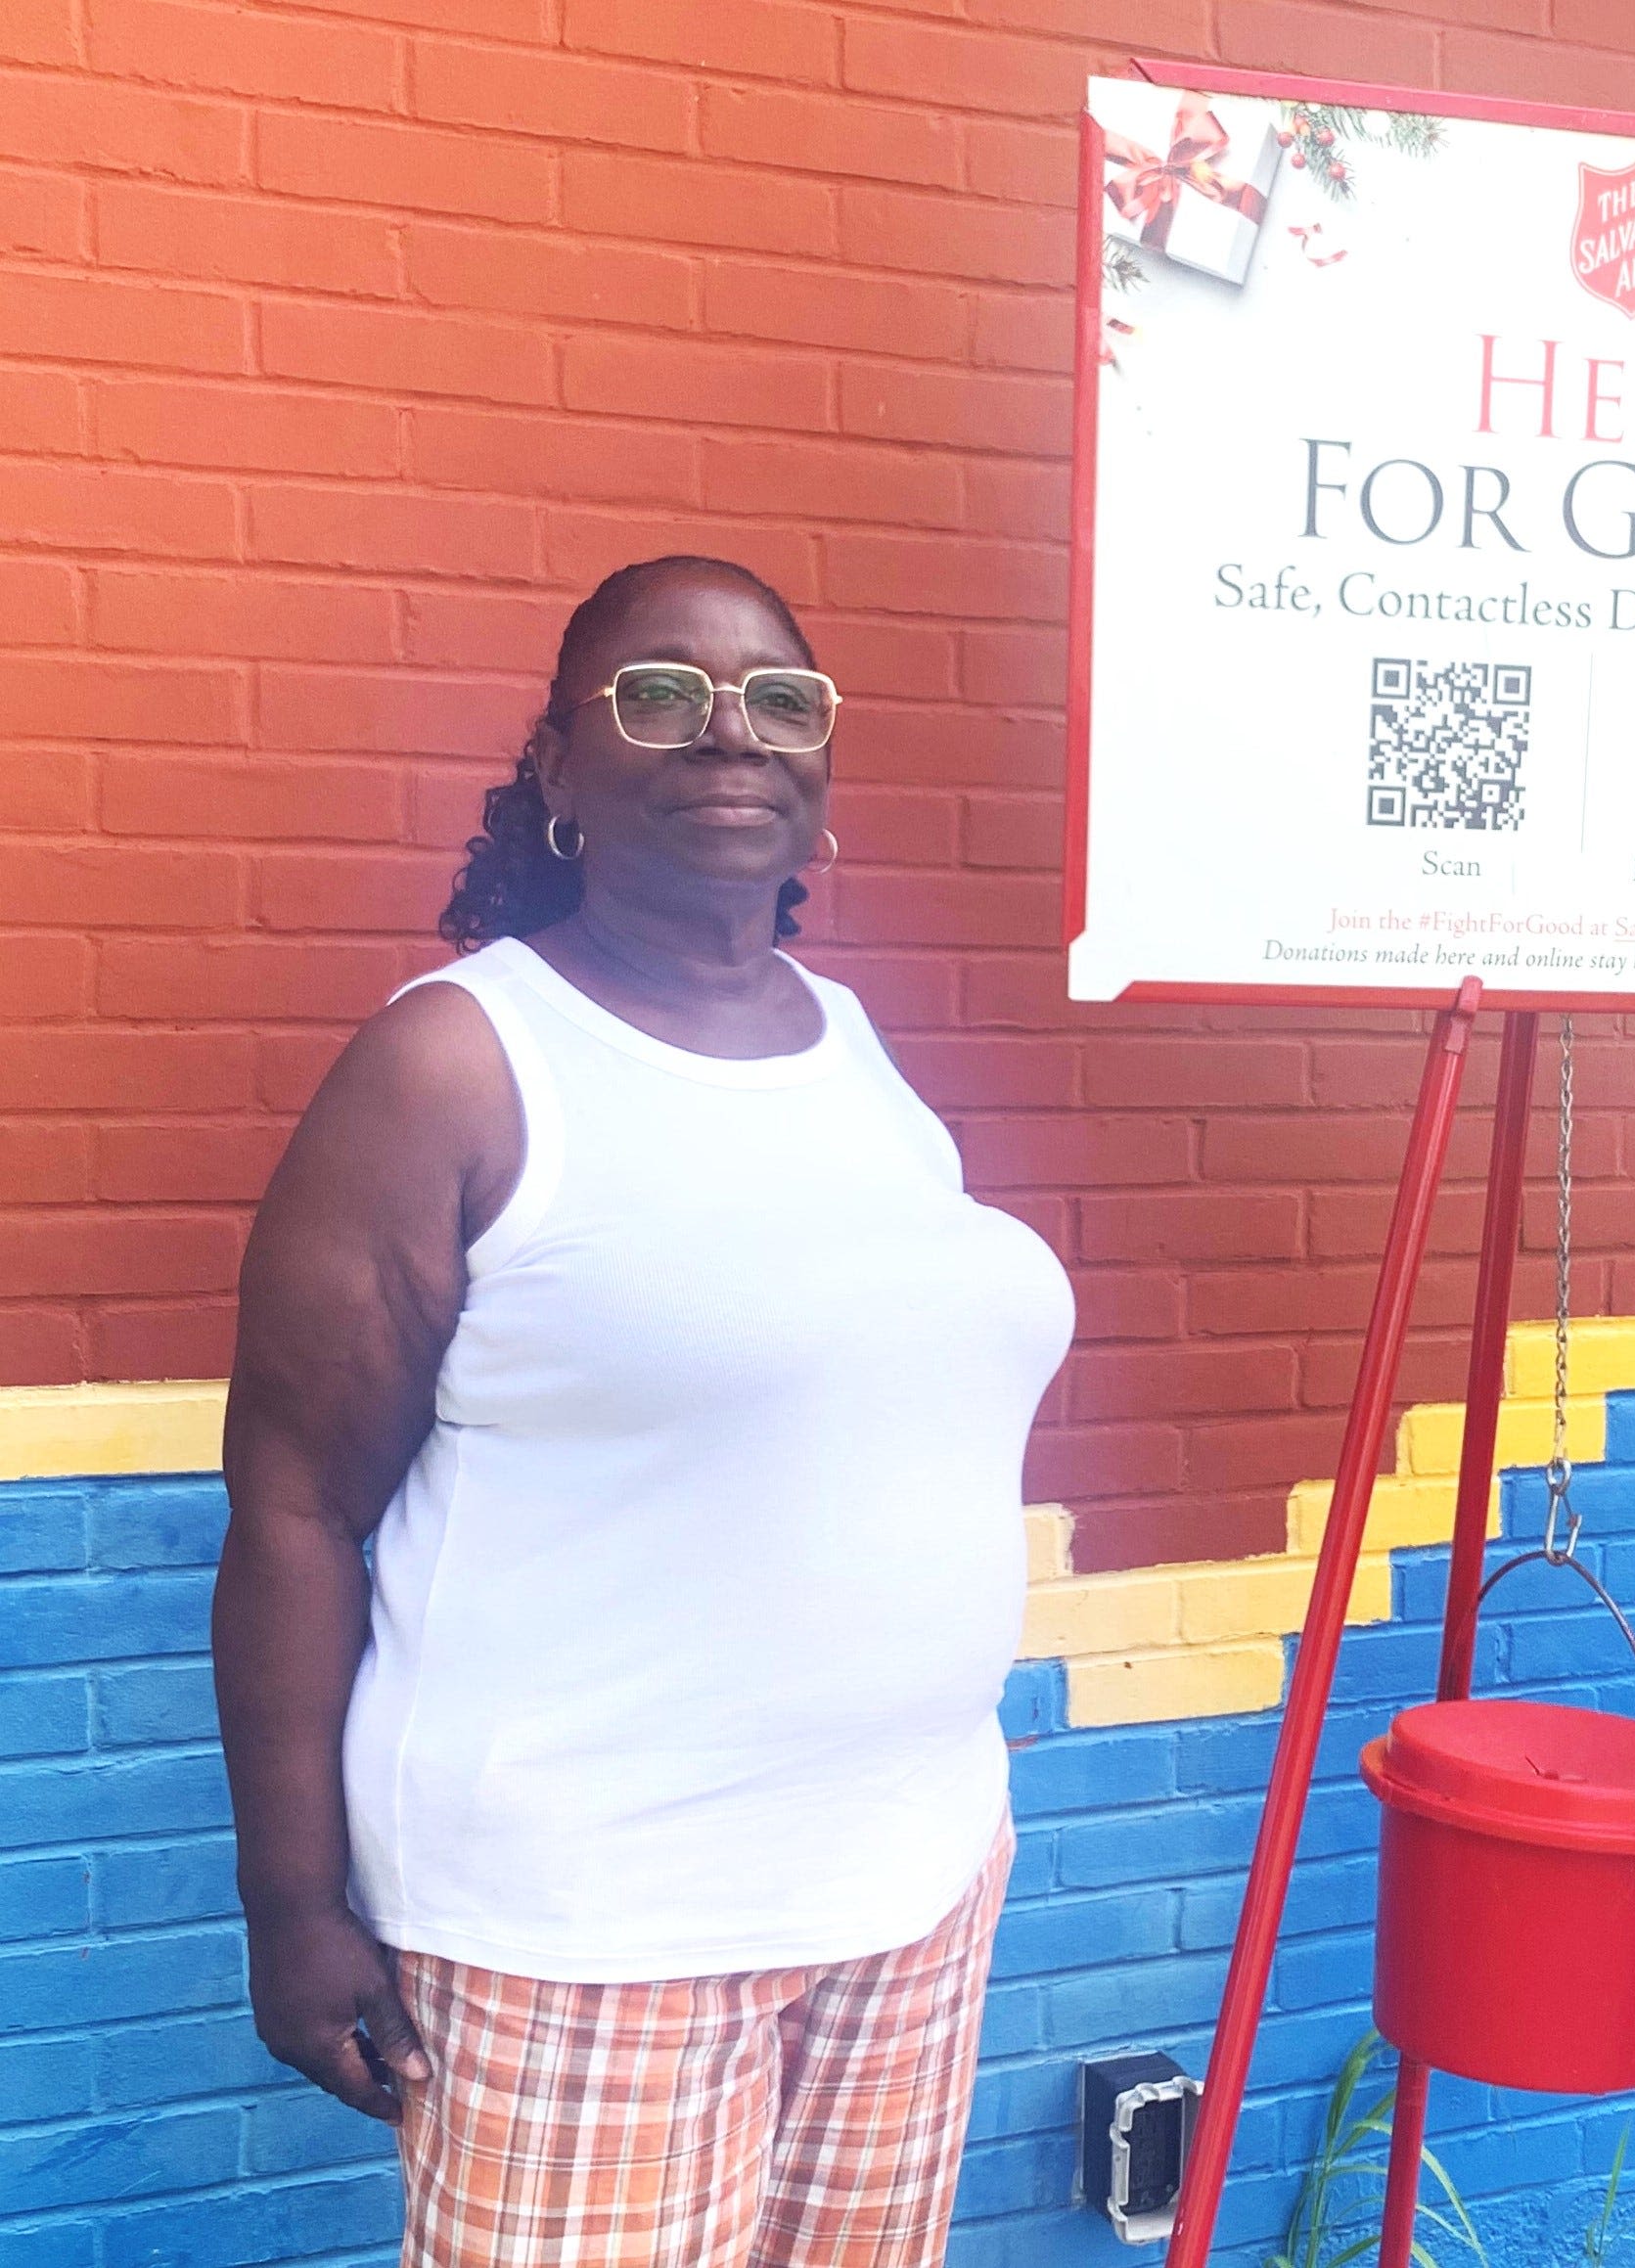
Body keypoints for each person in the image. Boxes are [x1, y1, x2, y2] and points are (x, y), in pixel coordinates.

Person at [215, 556, 1076, 2267]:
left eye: (778, 700)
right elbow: (296, 1509)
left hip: (902, 1880)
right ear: (557, 766)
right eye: (661, 698)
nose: (728, 736)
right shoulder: (457, 1066)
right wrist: (292, 1907)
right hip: (584, 1923)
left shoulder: (848, 1045)